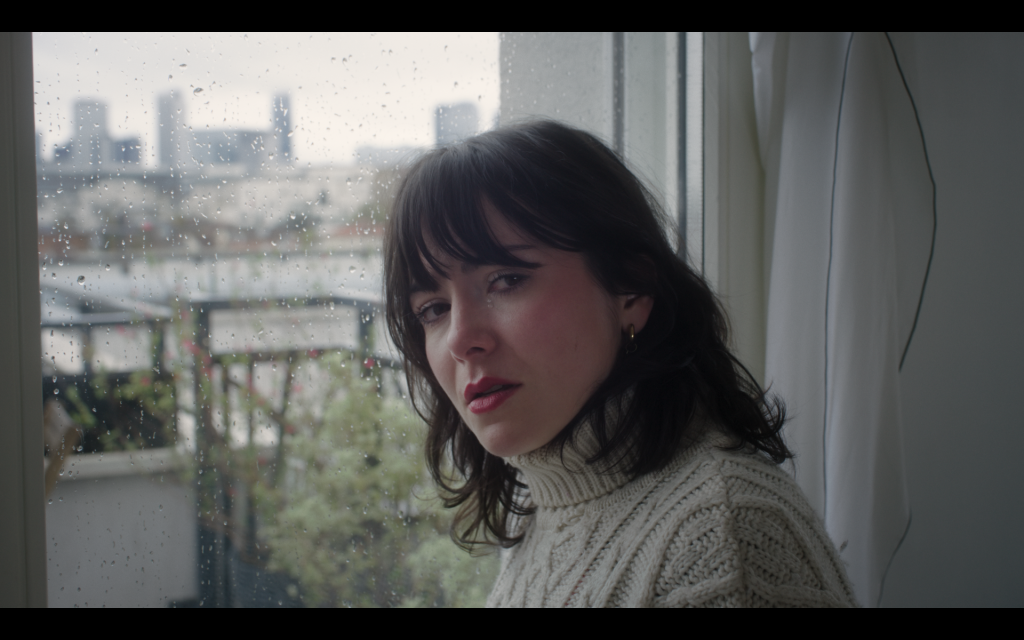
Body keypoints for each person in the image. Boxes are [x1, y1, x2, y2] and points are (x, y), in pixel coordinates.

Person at [383, 120, 857, 607]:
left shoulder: (726, 539)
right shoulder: (547, 509)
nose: (460, 340)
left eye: (505, 280)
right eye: (433, 309)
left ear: (630, 287)